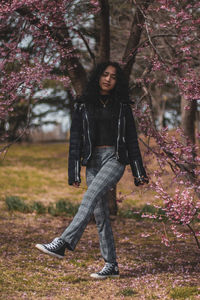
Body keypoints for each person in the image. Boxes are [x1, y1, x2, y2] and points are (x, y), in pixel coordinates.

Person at [35, 61, 148, 279]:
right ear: (98, 76)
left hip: (115, 158)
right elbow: (75, 140)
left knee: (90, 197)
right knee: (100, 213)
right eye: (105, 74)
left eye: (113, 76)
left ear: (118, 81)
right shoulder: (83, 105)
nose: (108, 79)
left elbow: (132, 140)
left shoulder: (123, 106)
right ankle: (111, 265)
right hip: (92, 160)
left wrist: (138, 172)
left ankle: (63, 242)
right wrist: (74, 171)